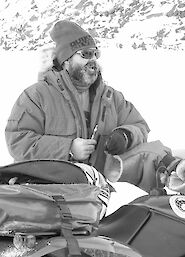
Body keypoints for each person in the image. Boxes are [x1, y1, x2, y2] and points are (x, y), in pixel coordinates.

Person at [5, 20, 150, 174]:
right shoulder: (36, 96)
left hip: (95, 192)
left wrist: (125, 136)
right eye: (85, 54)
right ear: (66, 61)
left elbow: (140, 127)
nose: (92, 59)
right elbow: (17, 141)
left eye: (95, 53)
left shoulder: (111, 97)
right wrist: (68, 148)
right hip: (46, 191)